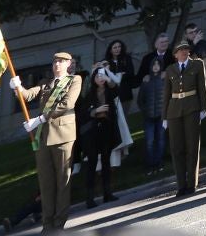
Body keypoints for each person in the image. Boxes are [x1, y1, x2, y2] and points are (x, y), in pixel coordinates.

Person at [9, 55, 80, 233]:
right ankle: (47, 224)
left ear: (69, 64)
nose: (57, 64)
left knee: (62, 181)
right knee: (46, 184)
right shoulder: (46, 83)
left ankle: (59, 223)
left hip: (63, 135)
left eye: (62, 61)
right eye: (55, 61)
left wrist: (40, 118)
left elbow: (67, 104)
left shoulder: (75, 80)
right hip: (43, 138)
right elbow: (27, 95)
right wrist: (17, 87)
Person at [162, 39, 206, 198]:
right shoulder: (170, 70)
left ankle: (191, 183)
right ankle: (181, 185)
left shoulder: (197, 65)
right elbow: (166, 94)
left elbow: (202, 87)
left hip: (192, 108)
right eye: (180, 50)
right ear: (175, 54)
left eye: (186, 49)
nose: (184, 52)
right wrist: (164, 117)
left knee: (192, 146)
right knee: (177, 149)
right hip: (174, 111)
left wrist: (204, 107)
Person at [75, 64, 122, 208]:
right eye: (98, 76)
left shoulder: (109, 92)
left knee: (106, 161)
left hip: (106, 129)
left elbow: (116, 89)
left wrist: (108, 77)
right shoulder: (89, 94)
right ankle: (90, 198)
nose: (100, 78)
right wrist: (96, 111)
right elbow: (83, 114)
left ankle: (107, 193)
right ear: (93, 78)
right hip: (92, 133)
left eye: (102, 76)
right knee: (92, 163)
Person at [132, 35, 171, 174]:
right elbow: (140, 99)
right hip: (149, 115)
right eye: (161, 42)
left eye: (166, 42)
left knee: (161, 139)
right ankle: (150, 164)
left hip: (161, 113)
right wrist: (145, 111)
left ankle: (159, 162)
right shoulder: (146, 76)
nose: (164, 44)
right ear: (156, 44)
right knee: (149, 141)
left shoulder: (171, 57)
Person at [182, 24, 206, 147]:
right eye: (191, 33)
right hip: (192, 86)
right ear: (186, 35)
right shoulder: (184, 47)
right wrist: (195, 44)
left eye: (195, 31)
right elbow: (186, 62)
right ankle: (193, 143)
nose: (194, 34)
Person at [99, 41, 136, 106]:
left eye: (119, 47)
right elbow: (103, 76)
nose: (117, 49)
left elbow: (130, 73)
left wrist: (114, 76)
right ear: (110, 50)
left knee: (124, 114)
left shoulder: (126, 58)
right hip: (112, 95)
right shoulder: (105, 62)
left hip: (125, 94)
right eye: (115, 47)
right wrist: (119, 75)